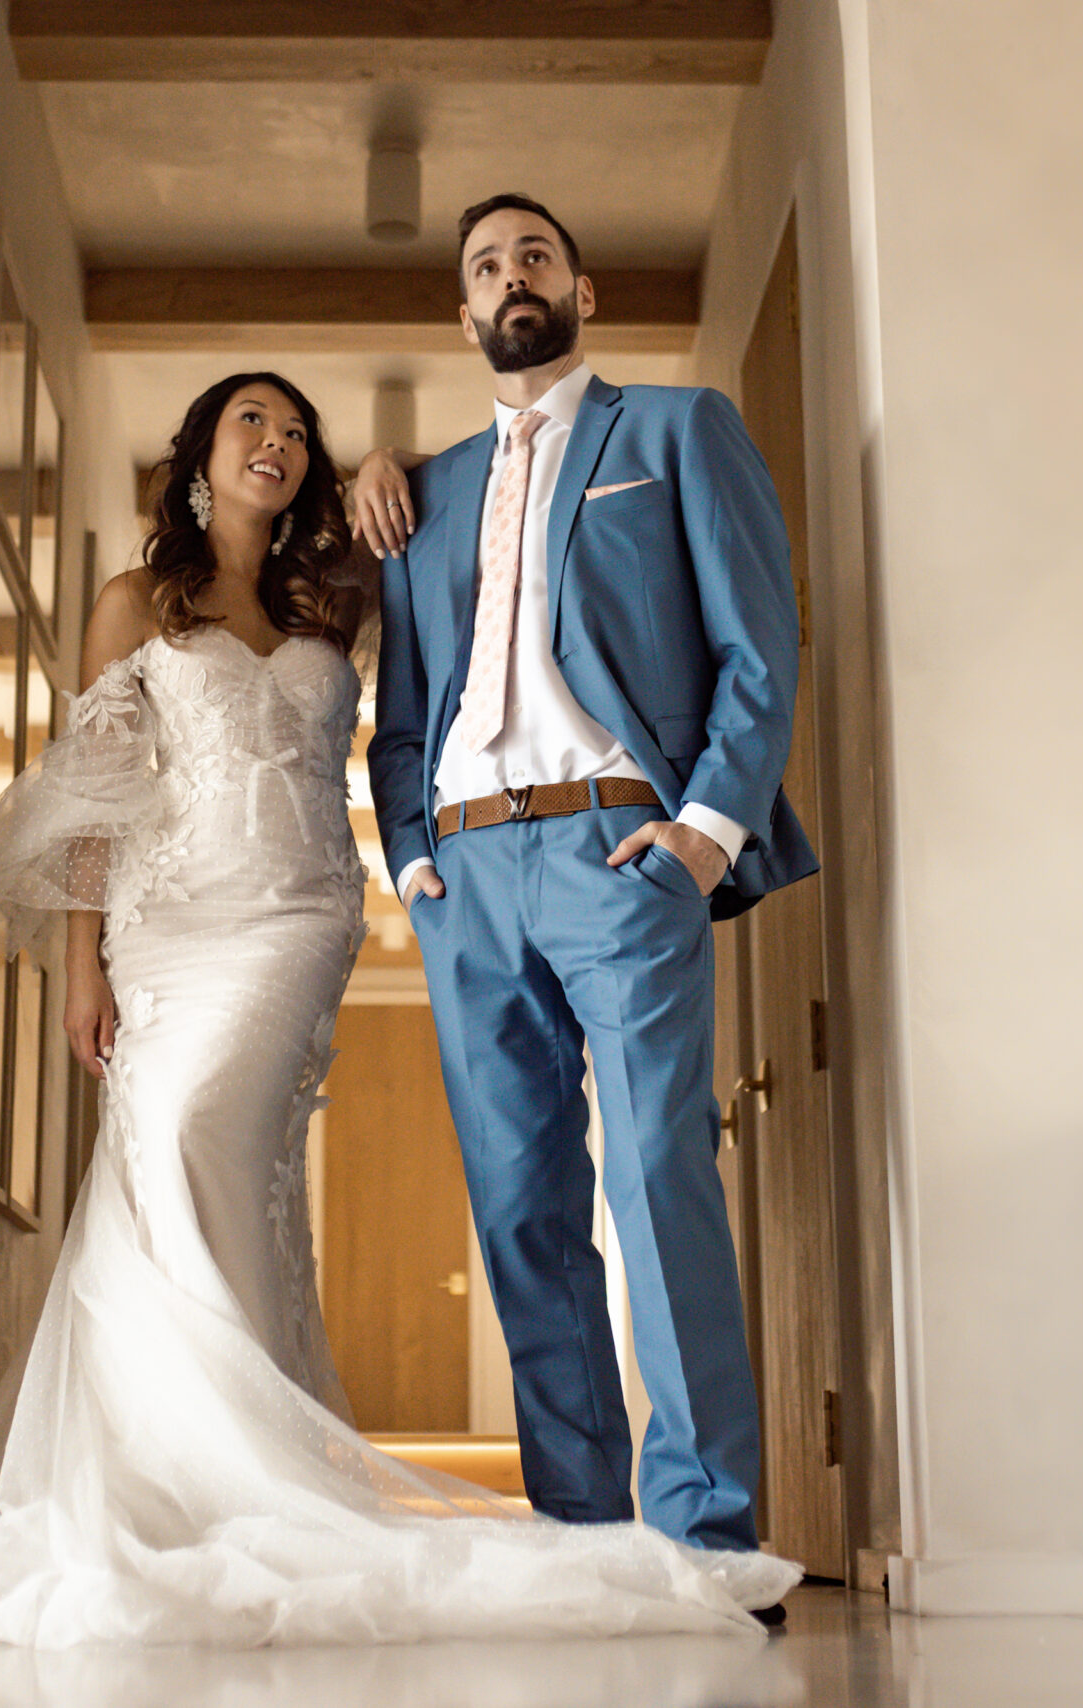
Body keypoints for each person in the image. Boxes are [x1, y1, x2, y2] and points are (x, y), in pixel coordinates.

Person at [0, 372, 798, 1647]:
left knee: (202, 1132)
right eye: (248, 425)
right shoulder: (133, 604)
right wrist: (83, 964)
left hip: (299, 916)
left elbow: (461, 608)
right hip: (168, 926)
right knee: (164, 1160)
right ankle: (186, 1481)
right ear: (201, 459)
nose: (275, 443)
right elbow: (96, 795)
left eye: (293, 430)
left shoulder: (332, 599)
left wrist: (390, 464)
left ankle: (253, 1468)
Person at [354, 196, 818, 1607]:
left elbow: (759, 642)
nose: (512, 278)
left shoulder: (678, 435)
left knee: (656, 1173)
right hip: (466, 876)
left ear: (584, 290)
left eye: (534, 257)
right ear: (464, 309)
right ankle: (577, 1535)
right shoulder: (421, 494)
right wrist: (410, 855)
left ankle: (706, 1537)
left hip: (624, 852)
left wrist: (701, 833)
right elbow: (401, 708)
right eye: (486, 265)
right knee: (518, 1204)